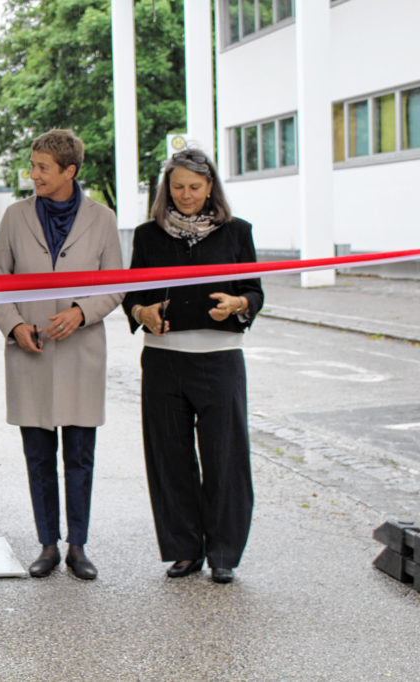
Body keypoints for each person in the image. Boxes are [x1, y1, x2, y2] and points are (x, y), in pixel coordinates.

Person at [122, 149, 263, 584]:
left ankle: (223, 552)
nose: (186, 195)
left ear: (210, 188)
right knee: (170, 458)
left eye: (195, 187)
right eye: (178, 186)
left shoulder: (237, 233)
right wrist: (142, 313)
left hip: (218, 361)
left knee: (225, 458)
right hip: (164, 361)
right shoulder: (148, 235)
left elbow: (253, 292)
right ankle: (184, 550)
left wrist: (238, 304)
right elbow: (131, 294)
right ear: (167, 188)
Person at [0, 129, 122, 581]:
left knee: (80, 457)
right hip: (32, 350)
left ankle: (77, 545)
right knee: (39, 456)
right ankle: (47, 543)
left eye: (43, 167)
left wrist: (82, 313)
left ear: (70, 171)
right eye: (33, 165)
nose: (34, 174)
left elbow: (115, 284)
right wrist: (14, 325)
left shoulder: (102, 219)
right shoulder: (14, 216)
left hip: (80, 350)